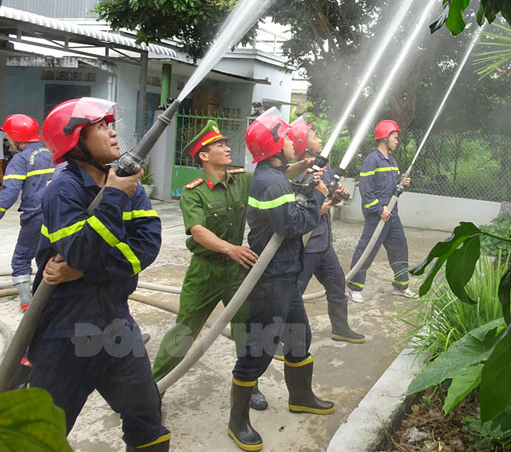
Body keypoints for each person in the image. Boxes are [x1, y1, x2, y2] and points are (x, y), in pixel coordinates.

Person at [29, 97, 170, 451]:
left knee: (147, 418)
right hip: (65, 333)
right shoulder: (63, 191)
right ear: (75, 139)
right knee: (41, 436)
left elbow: (146, 246)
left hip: (115, 323)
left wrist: (85, 273)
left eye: (111, 124)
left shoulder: (127, 186)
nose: (112, 133)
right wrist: (111, 198)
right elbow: (78, 250)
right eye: (101, 126)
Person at [227, 112, 333, 452]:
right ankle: (237, 422)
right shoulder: (272, 183)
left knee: (299, 339)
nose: (293, 143)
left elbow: (288, 199)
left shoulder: (273, 174)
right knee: (257, 351)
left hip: (285, 274)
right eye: (287, 139)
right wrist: (316, 195)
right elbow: (292, 224)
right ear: (274, 145)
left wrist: (303, 175)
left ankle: (301, 397)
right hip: (270, 279)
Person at [150, 119, 267, 410]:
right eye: (220, 145)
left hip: (235, 271)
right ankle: (153, 389)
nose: (228, 149)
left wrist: (304, 165)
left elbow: (274, 177)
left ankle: (248, 385)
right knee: (184, 331)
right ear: (204, 155)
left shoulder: (241, 180)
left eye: (226, 144)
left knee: (246, 330)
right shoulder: (194, 191)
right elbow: (199, 231)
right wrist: (231, 249)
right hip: (204, 271)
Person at [287, 120, 364, 343]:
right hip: (306, 244)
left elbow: (326, 195)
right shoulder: (298, 173)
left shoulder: (325, 167)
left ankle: (340, 328)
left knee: (337, 283)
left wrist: (336, 196)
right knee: (294, 293)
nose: (320, 139)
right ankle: (284, 338)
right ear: (304, 144)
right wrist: (316, 208)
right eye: (314, 136)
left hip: (323, 242)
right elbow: (294, 206)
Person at [346, 119, 416, 303]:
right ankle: (353, 288)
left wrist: (402, 183)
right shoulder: (371, 160)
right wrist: (379, 209)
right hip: (377, 217)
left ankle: (401, 286)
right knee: (366, 251)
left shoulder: (392, 161)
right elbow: (366, 189)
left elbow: (392, 188)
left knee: (400, 248)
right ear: (384, 139)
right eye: (394, 137)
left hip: (392, 215)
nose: (397, 141)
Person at [0, 114, 56, 310]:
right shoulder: (52, 153)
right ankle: (52, 298)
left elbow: (9, 192)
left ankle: (26, 303)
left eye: (8, 137)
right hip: (57, 213)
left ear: (16, 138)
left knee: (22, 257)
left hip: (34, 215)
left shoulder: (21, 159)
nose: (7, 142)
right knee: (52, 255)